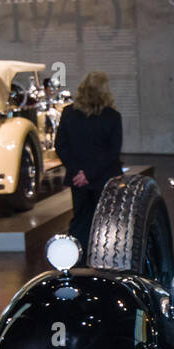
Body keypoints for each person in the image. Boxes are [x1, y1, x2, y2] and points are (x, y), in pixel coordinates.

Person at [55, 71, 123, 246]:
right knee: (106, 221)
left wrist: (77, 172)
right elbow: (113, 152)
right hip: (104, 177)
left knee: (80, 220)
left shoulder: (68, 113)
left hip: (77, 179)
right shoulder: (113, 117)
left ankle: (75, 259)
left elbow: (61, 146)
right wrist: (90, 174)